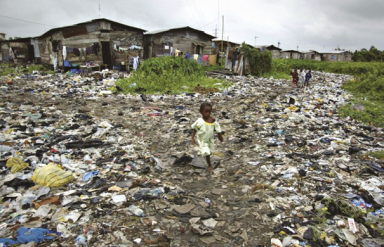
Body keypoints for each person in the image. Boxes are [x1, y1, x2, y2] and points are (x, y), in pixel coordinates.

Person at [191, 103, 224, 172]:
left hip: (210, 139)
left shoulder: (212, 120)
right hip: (202, 139)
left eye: (209, 112)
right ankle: (209, 165)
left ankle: (202, 155)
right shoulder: (199, 121)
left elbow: (217, 128)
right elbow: (194, 129)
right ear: (201, 112)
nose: (208, 113)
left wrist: (219, 136)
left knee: (211, 151)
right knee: (207, 152)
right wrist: (193, 138)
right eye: (205, 112)